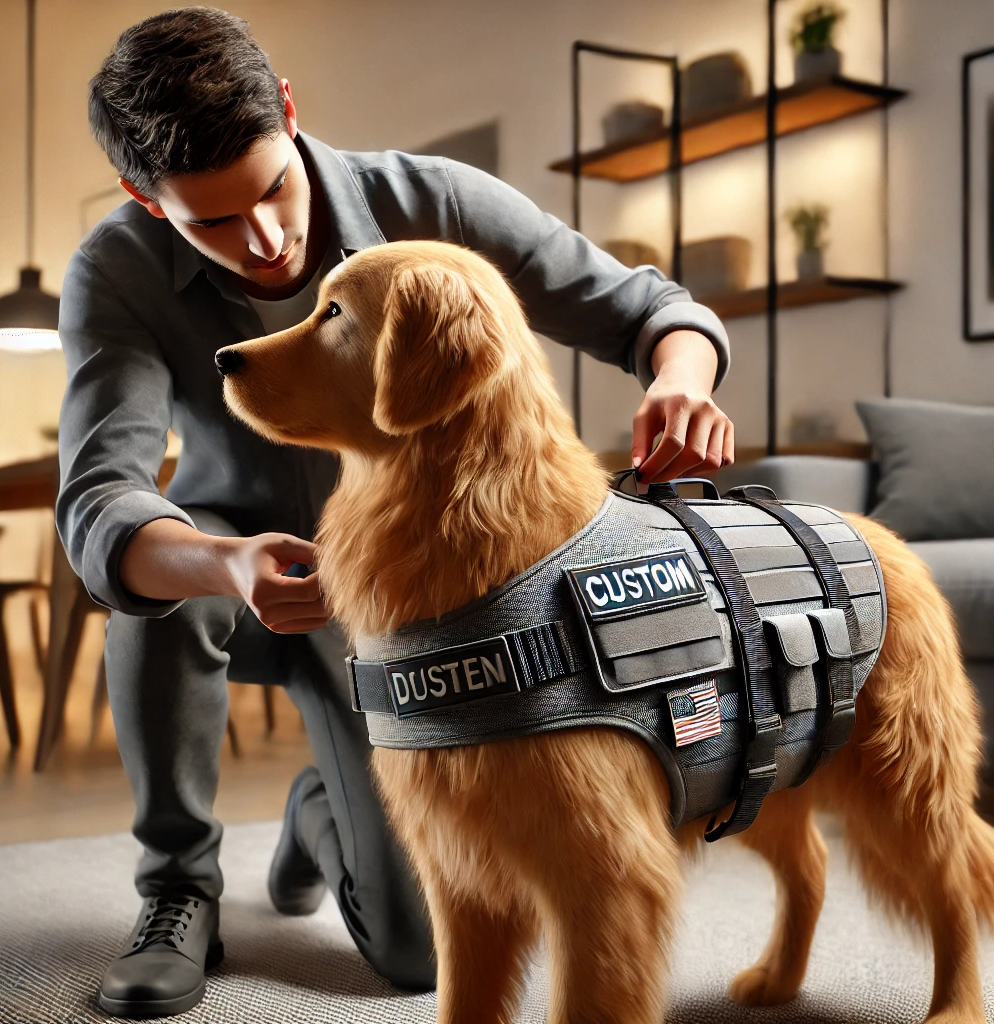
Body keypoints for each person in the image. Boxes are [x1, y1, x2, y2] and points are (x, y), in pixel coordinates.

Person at [58, 6, 735, 1018]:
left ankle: (316, 807)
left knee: (420, 953)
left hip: (398, 604)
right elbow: (102, 497)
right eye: (214, 223)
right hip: (235, 578)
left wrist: (684, 376)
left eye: (274, 188)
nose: (267, 239)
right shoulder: (114, 269)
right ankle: (178, 887)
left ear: (287, 113)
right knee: (158, 589)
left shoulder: (431, 201)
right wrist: (226, 564)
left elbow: (647, 311)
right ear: (143, 201)